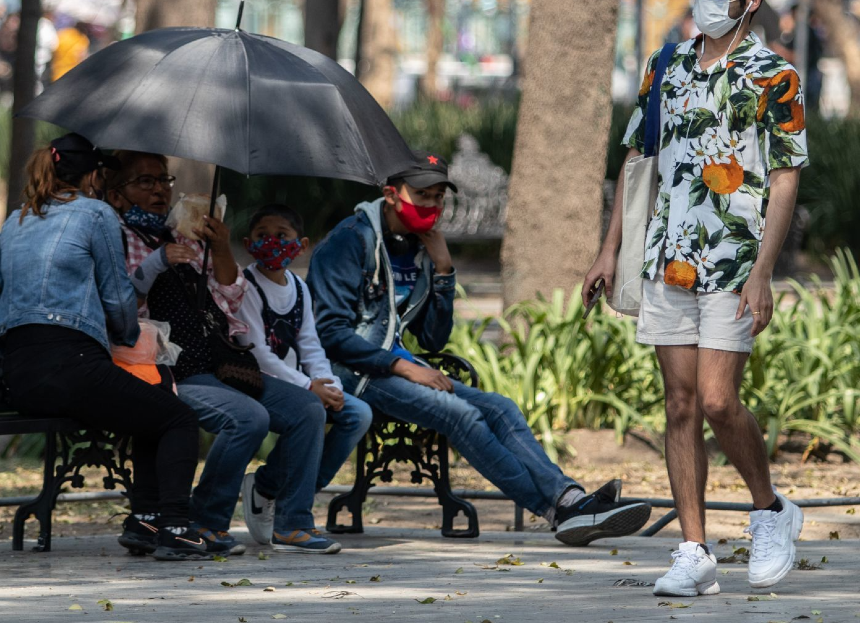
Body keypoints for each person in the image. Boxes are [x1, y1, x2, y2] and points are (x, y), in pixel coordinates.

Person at [584, 0, 807, 598]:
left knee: (717, 400)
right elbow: (636, 160)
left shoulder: (776, 76)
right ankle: (694, 550)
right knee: (679, 405)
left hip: (736, 261)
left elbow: (787, 177)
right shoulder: (667, 65)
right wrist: (608, 249)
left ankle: (770, 510)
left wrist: (764, 269)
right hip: (666, 259)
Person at [309, 152, 652, 547]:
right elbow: (330, 333)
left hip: (393, 367)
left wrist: (443, 271)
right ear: (391, 194)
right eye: (422, 195)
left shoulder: (417, 246)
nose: (432, 206)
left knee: (501, 407)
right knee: (461, 414)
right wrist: (401, 367)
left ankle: (570, 499)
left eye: (439, 196)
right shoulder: (350, 242)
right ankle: (560, 513)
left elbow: (433, 340)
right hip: (350, 371)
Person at [0, 134, 209, 561]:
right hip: (71, 364)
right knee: (177, 418)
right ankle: (175, 527)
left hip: (20, 370)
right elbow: (119, 296)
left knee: (152, 407)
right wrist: (123, 336)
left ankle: (145, 521)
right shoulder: (96, 213)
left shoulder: (17, 219)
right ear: (93, 176)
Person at [107, 152, 343, 554]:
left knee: (307, 410)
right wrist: (157, 263)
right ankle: (207, 521)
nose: (159, 190)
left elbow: (230, 297)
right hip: (167, 369)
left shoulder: (183, 233)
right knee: (247, 418)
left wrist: (218, 245)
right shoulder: (115, 235)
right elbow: (120, 308)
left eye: (163, 180)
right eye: (144, 183)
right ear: (117, 195)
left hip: (220, 362)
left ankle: (293, 522)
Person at [236, 204, 374, 546]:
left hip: (294, 383)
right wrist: (307, 386)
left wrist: (330, 385)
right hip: (253, 379)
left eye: (282, 236)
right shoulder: (246, 286)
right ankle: (293, 519)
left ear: (303, 244)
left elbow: (310, 345)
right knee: (310, 410)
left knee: (357, 414)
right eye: (262, 236)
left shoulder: (299, 287)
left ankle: (271, 487)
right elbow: (255, 351)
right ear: (247, 242)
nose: (272, 242)